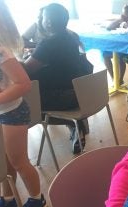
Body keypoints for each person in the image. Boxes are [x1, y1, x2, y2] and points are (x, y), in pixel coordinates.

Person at [0, 0, 46, 207]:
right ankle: (8, 198)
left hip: (11, 112)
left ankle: (37, 199)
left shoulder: (0, 50)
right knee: (4, 161)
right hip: (3, 111)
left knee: (18, 161)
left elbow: (23, 84)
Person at [23, 3, 89, 154]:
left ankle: (74, 123)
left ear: (48, 22)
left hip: (61, 97)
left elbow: (27, 69)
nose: (41, 21)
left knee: (25, 106)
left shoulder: (48, 43)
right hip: (78, 93)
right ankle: (76, 124)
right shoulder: (70, 38)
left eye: (43, 18)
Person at [103, 5, 128, 81]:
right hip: (117, 46)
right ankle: (114, 79)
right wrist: (119, 20)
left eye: (124, 13)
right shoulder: (121, 21)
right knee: (105, 54)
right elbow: (108, 27)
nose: (122, 15)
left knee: (120, 58)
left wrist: (126, 22)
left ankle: (120, 80)